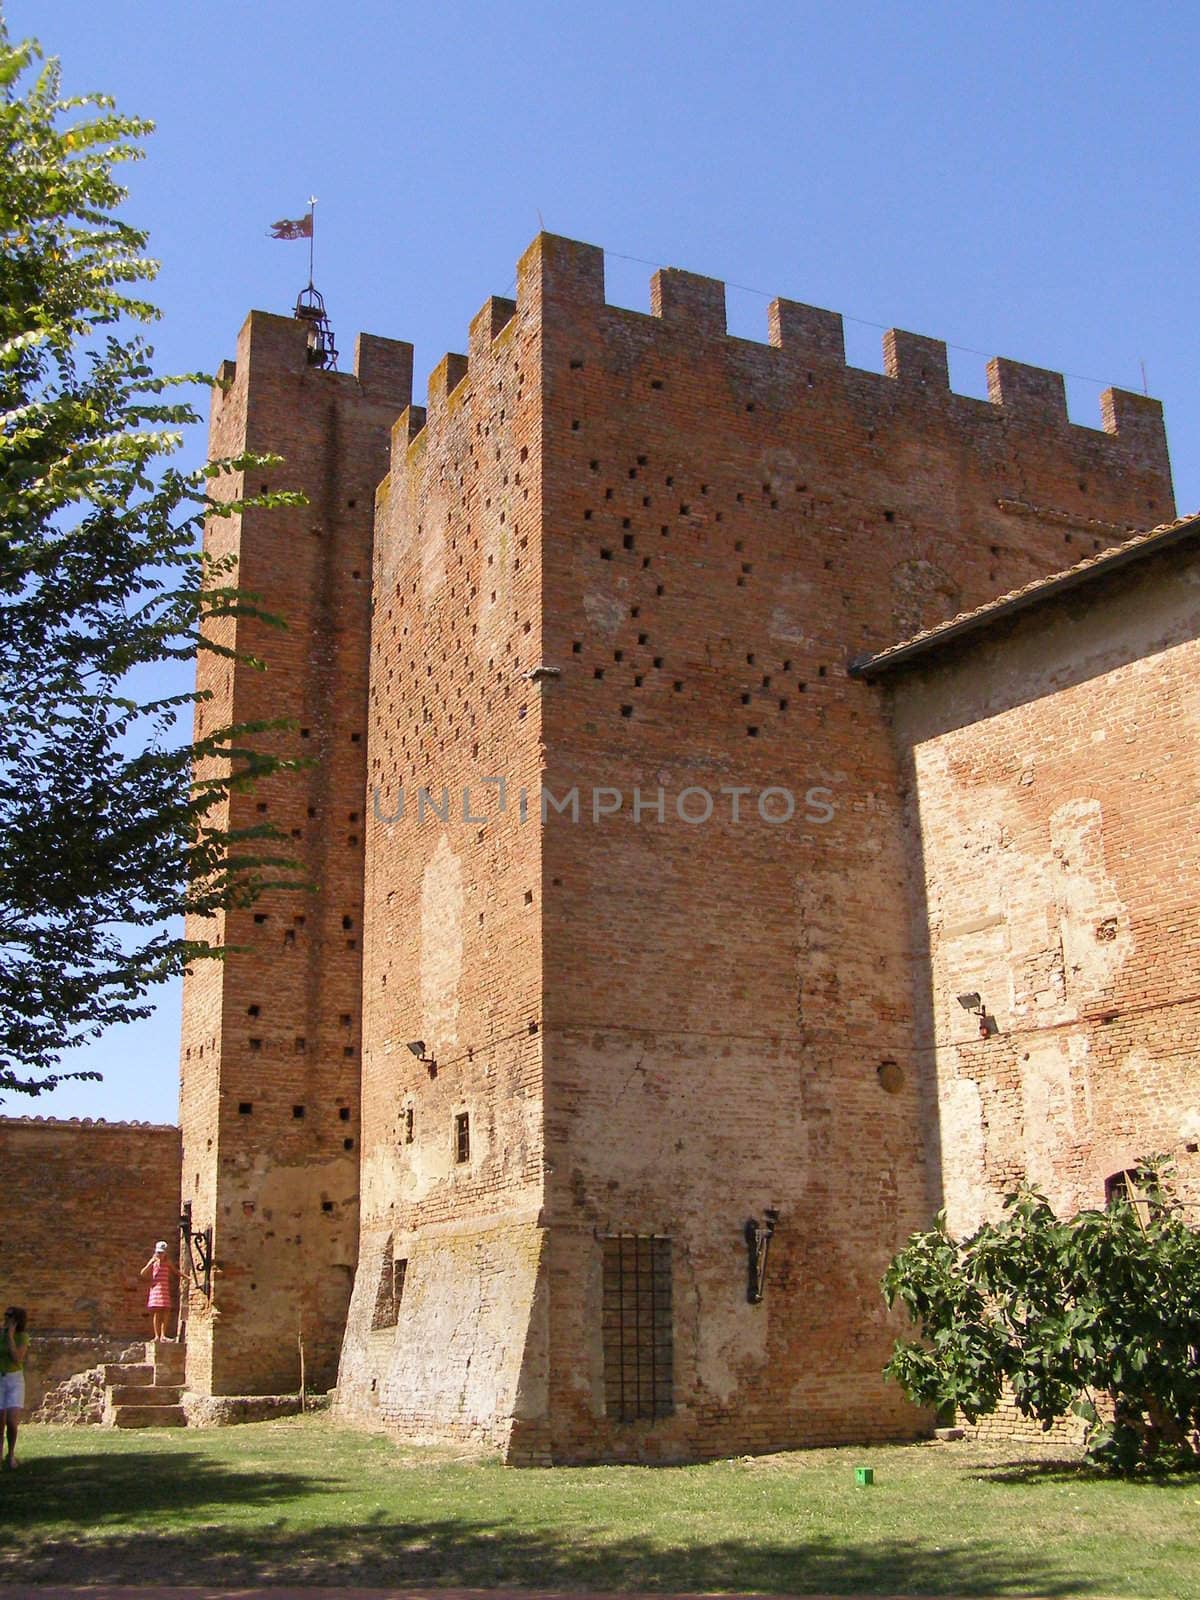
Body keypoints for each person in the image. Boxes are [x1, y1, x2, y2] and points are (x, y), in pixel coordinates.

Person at [140, 1241, 184, 1341]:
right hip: (156, 1289)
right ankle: (156, 1335)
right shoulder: (153, 1262)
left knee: (166, 1310)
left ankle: (163, 1335)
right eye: (158, 1253)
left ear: (165, 1253)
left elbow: (176, 1272)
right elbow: (142, 1273)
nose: (160, 1255)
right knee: (157, 1312)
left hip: (164, 1288)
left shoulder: (167, 1262)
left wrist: (187, 1277)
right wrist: (150, 1263)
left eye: (162, 1253)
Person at [1, 1307, 28, 1468]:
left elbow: (17, 1358)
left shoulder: (22, 1337)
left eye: (9, 1317)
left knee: (11, 1421)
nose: (6, 1319)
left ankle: (10, 1455)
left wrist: (10, 1337)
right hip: (0, 1378)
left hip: (15, 1381)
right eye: (5, 1316)